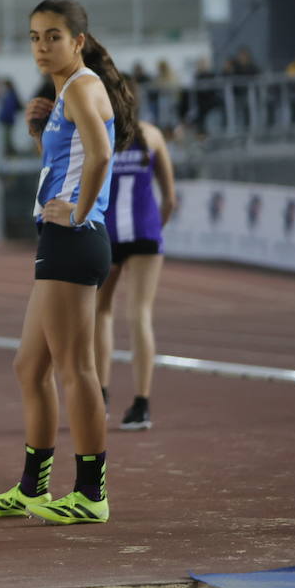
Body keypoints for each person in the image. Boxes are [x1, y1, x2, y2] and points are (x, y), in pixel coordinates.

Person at [0, 0, 134, 526]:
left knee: (76, 370)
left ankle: (91, 494)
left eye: (52, 36)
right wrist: (39, 132)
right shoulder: (66, 91)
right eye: (34, 37)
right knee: (30, 366)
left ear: (78, 42)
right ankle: (32, 488)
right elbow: (72, 158)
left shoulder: (84, 85)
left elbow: (101, 155)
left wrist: (80, 211)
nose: (42, 47)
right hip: (61, 242)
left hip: (75, 240)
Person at [95, 108, 177, 431]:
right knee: (140, 314)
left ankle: (100, 398)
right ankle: (142, 404)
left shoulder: (100, 134)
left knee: (101, 311)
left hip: (108, 234)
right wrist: (154, 229)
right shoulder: (152, 135)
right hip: (145, 232)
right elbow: (169, 198)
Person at [0, 79, 21, 156]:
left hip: (8, 118)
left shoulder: (10, 95)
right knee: (7, 136)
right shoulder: (9, 94)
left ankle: (9, 151)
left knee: (7, 137)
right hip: (7, 118)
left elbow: (11, 107)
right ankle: (8, 151)